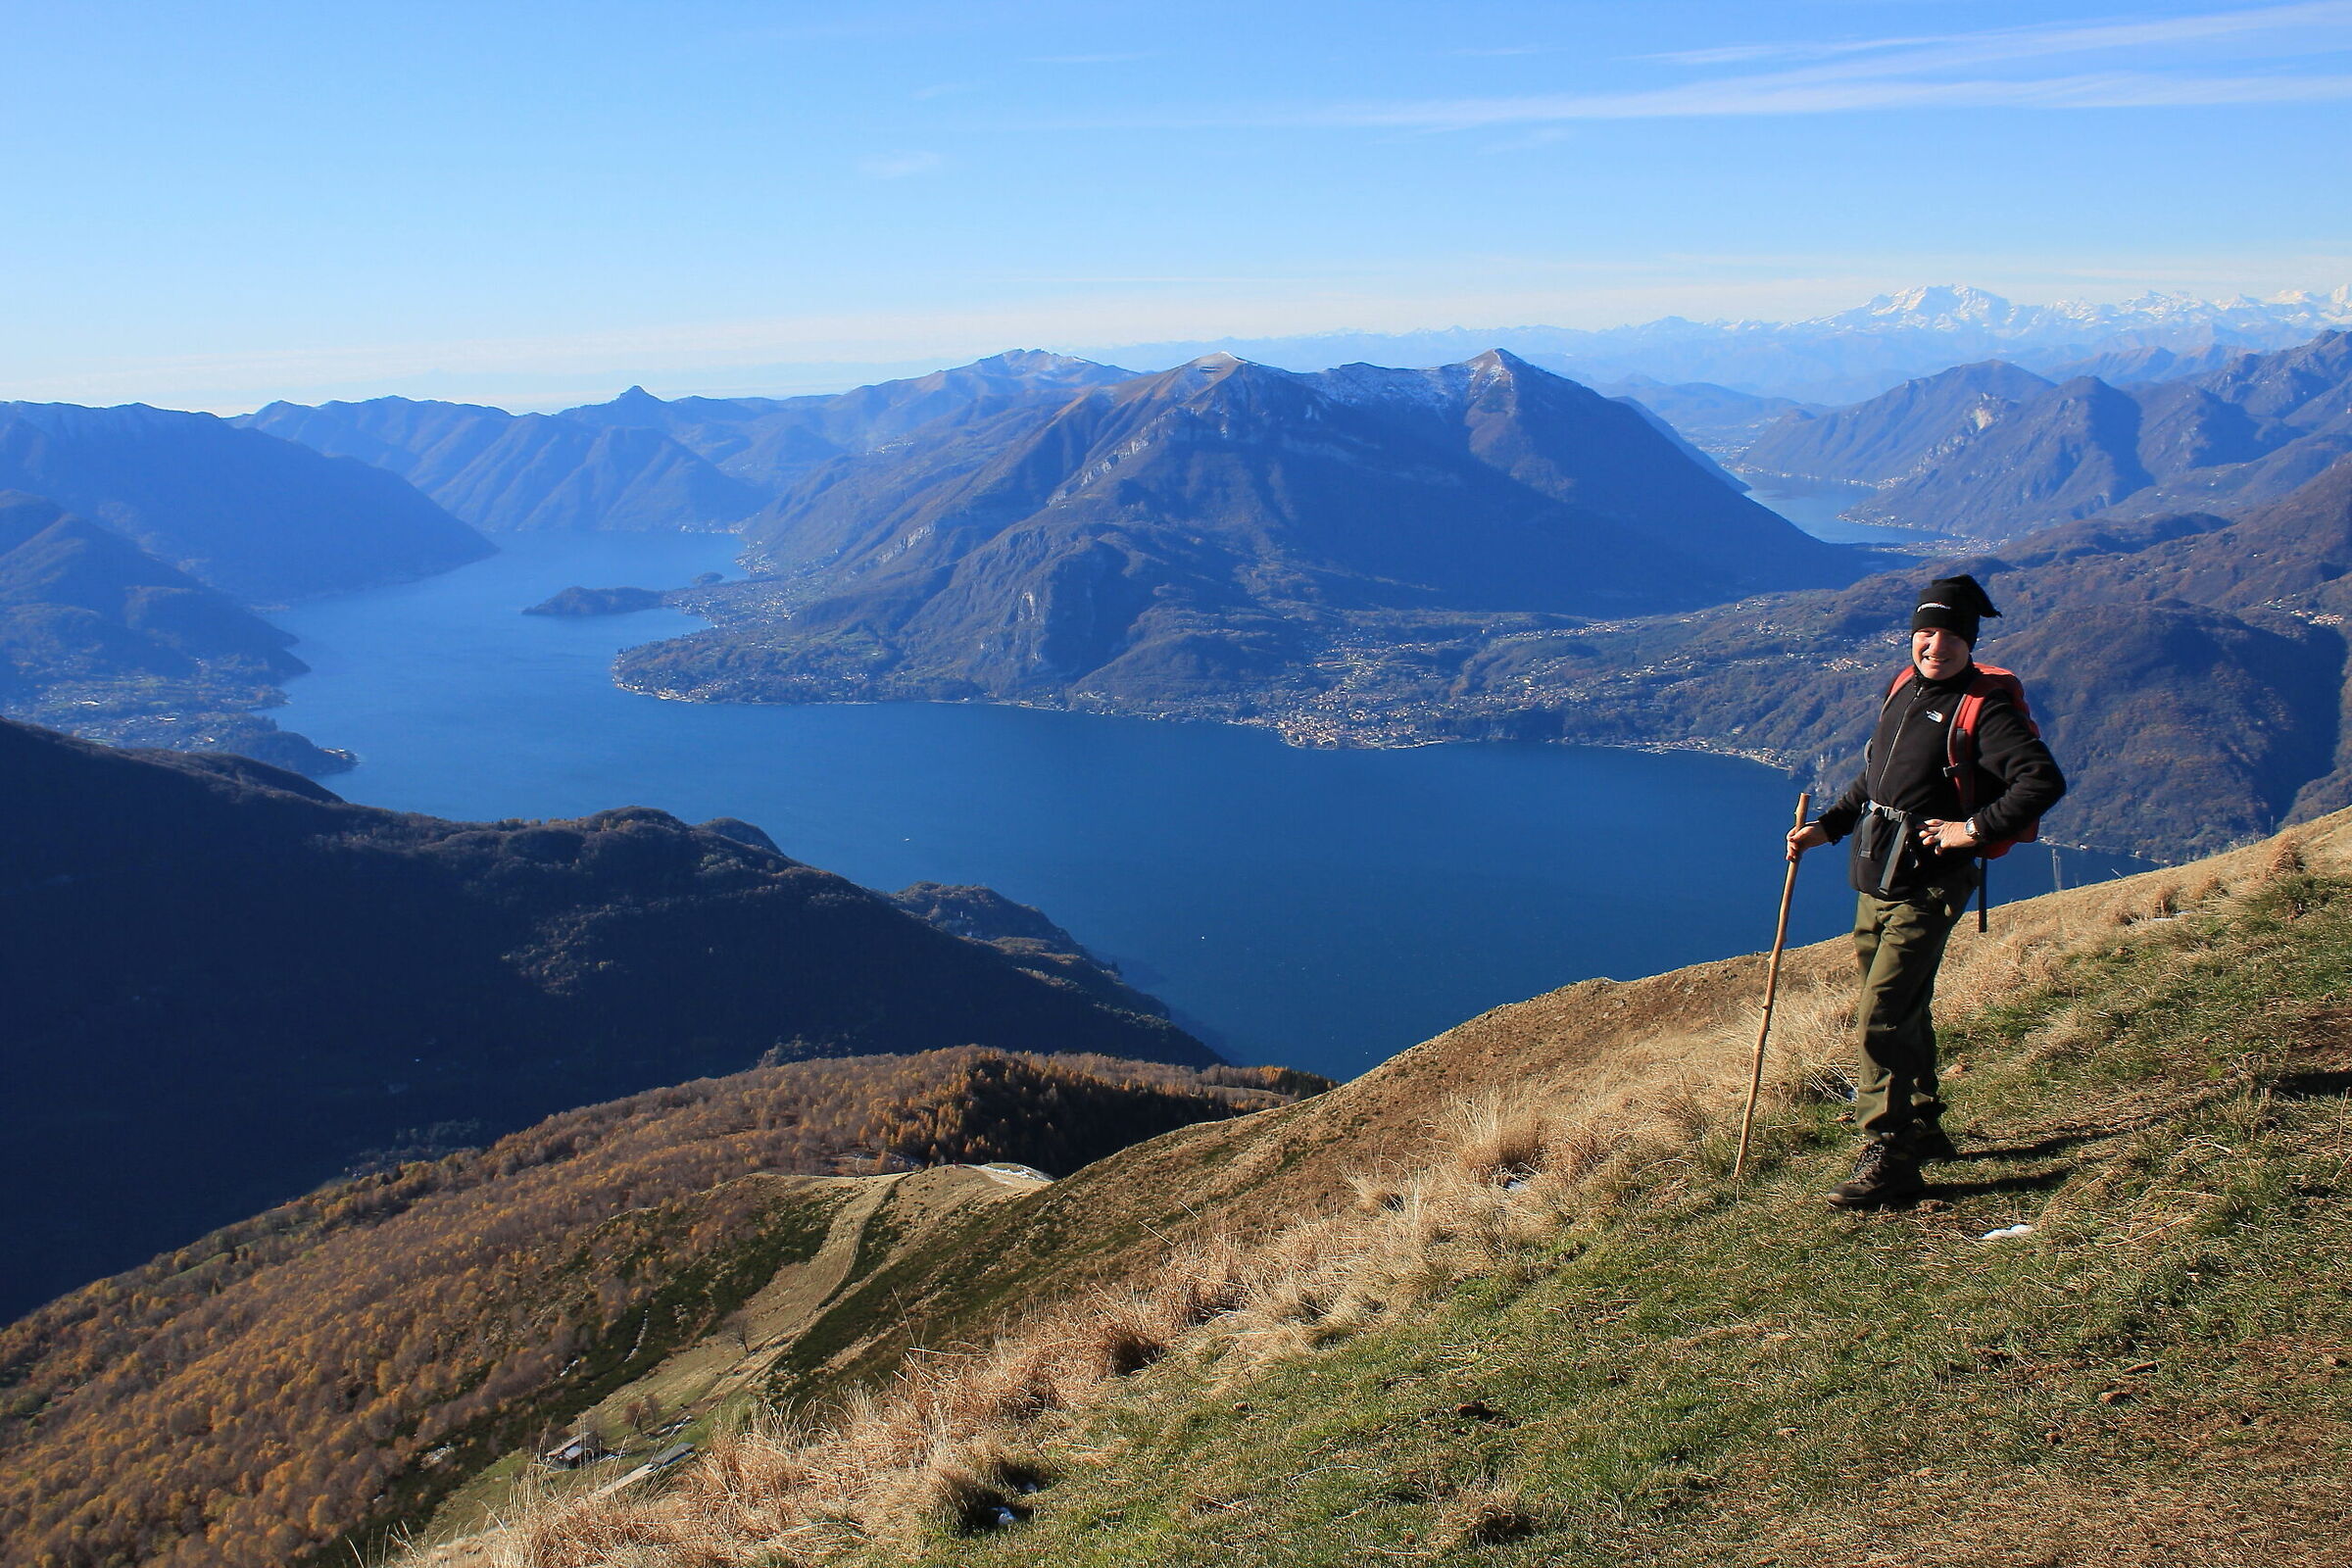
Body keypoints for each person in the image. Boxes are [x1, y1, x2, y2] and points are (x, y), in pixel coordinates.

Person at [1785, 574, 2065, 1209]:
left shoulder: (1982, 708)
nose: (1933, 644)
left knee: (1879, 1012)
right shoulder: (1903, 689)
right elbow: (1875, 778)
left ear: (1967, 639)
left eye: (1946, 633)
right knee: (1900, 1005)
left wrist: (1972, 830)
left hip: (1929, 886)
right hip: (1877, 877)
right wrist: (1827, 827)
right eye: (1924, 631)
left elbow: (2039, 780)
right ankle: (1923, 1121)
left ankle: (1887, 1151)